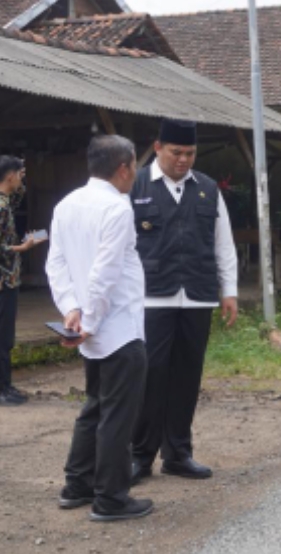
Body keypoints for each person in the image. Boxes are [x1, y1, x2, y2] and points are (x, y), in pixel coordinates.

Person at [45, 135, 153, 521]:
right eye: (134, 167)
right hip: (118, 327)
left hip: (89, 327)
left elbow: (55, 264)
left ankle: (77, 485)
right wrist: (88, 321)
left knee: (95, 407)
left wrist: (72, 311)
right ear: (123, 168)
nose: (134, 175)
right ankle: (110, 498)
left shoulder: (66, 204)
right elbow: (105, 272)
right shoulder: (117, 208)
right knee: (117, 416)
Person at [130, 119, 238, 485]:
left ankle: (178, 453)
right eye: (176, 152)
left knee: (187, 377)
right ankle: (139, 456)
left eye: (190, 153)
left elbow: (223, 244)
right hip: (151, 297)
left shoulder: (207, 189)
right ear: (158, 147)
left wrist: (230, 291)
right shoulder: (136, 185)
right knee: (151, 376)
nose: (183, 160)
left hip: (196, 295)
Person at [0, 156, 47, 406]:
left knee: (6, 338)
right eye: (19, 174)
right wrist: (22, 247)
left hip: (10, 279)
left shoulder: (6, 201)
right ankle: (2, 389)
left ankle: (6, 385)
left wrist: (23, 176)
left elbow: (18, 195)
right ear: (9, 176)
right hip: (3, 280)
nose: (21, 178)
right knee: (2, 337)